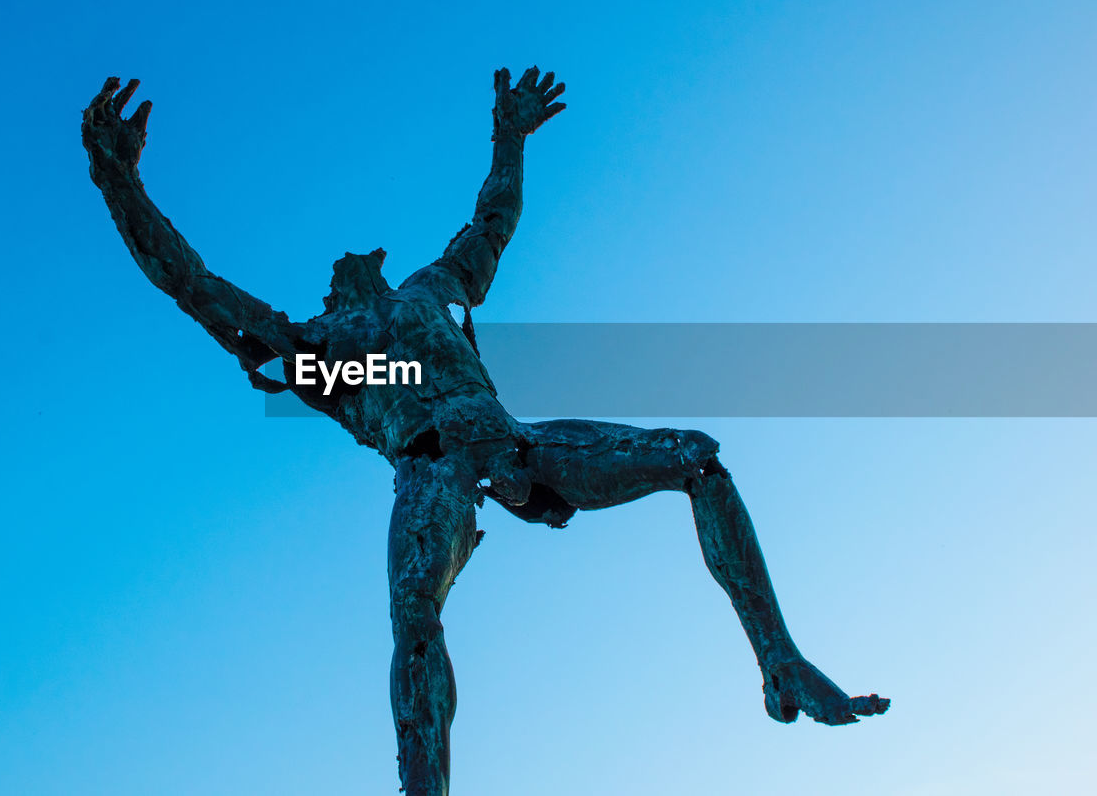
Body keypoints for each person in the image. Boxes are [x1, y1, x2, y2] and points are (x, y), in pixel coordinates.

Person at [82, 68, 888, 796]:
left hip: (516, 441)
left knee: (695, 458)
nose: (344, 269)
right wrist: (120, 184)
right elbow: (197, 288)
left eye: (354, 264)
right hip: (432, 467)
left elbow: (492, 221)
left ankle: (778, 659)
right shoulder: (320, 354)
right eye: (334, 276)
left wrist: (508, 134)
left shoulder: (431, 288)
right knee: (414, 610)